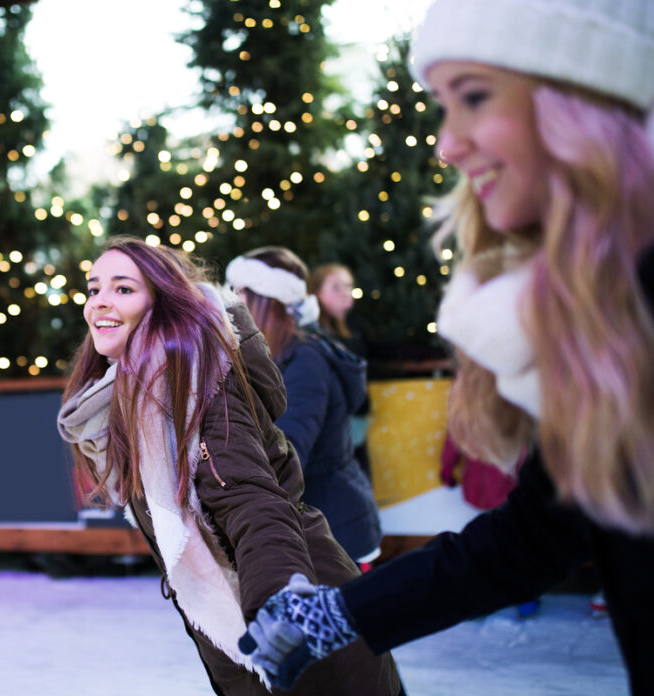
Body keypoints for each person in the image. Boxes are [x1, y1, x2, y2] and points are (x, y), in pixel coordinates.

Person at [239, 0, 654, 693]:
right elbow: (537, 536)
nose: (447, 143)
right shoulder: (602, 316)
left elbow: (298, 437)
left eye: (476, 97)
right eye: (442, 106)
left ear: (588, 97)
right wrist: (338, 613)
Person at [57, 236, 402, 695]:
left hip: (297, 638)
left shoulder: (197, 385)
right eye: (93, 288)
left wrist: (280, 605)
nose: (100, 302)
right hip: (248, 643)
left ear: (163, 304)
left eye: (123, 289)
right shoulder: (132, 392)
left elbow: (253, 502)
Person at [225, 248, 382, 568]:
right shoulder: (268, 355)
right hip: (304, 527)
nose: (231, 300)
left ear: (268, 300)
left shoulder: (304, 359)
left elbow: (289, 451)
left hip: (333, 532)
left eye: (241, 291)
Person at [309, 262, 374, 480]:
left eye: (348, 286)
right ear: (317, 293)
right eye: (336, 287)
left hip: (356, 427)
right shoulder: (316, 337)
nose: (345, 292)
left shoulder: (352, 329)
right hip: (337, 431)